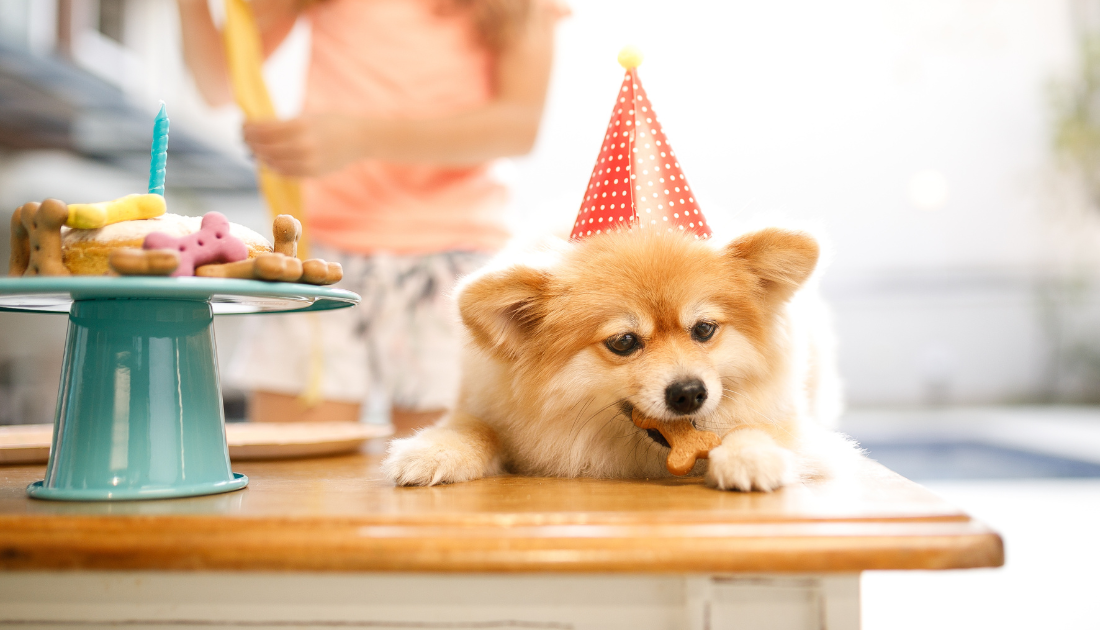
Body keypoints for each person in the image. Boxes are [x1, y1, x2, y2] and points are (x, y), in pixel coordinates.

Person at [177, 0, 561, 435]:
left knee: (443, 477)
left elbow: (519, 126)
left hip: (451, 262)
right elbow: (217, 83)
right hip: (318, 257)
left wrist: (359, 137)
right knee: (296, 483)